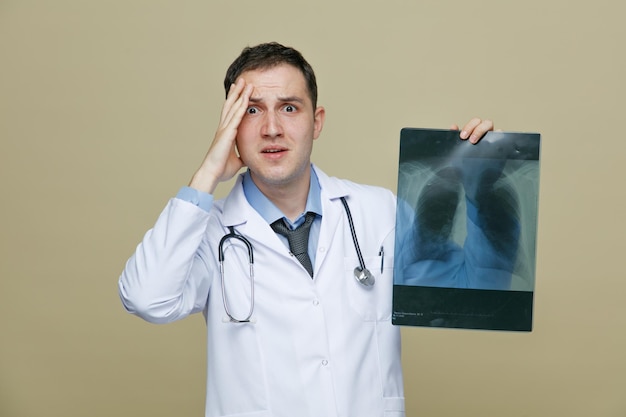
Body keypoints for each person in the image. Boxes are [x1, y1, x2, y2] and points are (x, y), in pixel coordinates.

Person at [118, 42, 495, 417]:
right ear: (229, 128)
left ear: (317, 122)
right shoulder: (211, 233)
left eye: (289, 108)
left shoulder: (377, 212)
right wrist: (207, 174)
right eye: (252, 111)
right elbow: (146, 297)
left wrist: (482, 185)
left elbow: (471, 291)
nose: (271, 129)